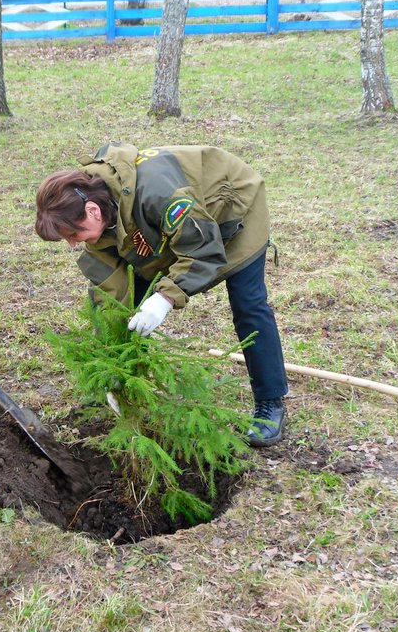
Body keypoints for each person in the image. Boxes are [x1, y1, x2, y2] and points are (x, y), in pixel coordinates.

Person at [34, 142, 288, 447]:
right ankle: (132, 389)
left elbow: (202, 250)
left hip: (231, 210)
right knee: (129, 298)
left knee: (249, 304)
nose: (73, 244)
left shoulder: (158, 193)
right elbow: (110, 296)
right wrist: (114, 375)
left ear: (92, 211)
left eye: (73, 235)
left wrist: (165, 297)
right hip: (174, 232)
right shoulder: (99, 213)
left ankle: (270, 403)